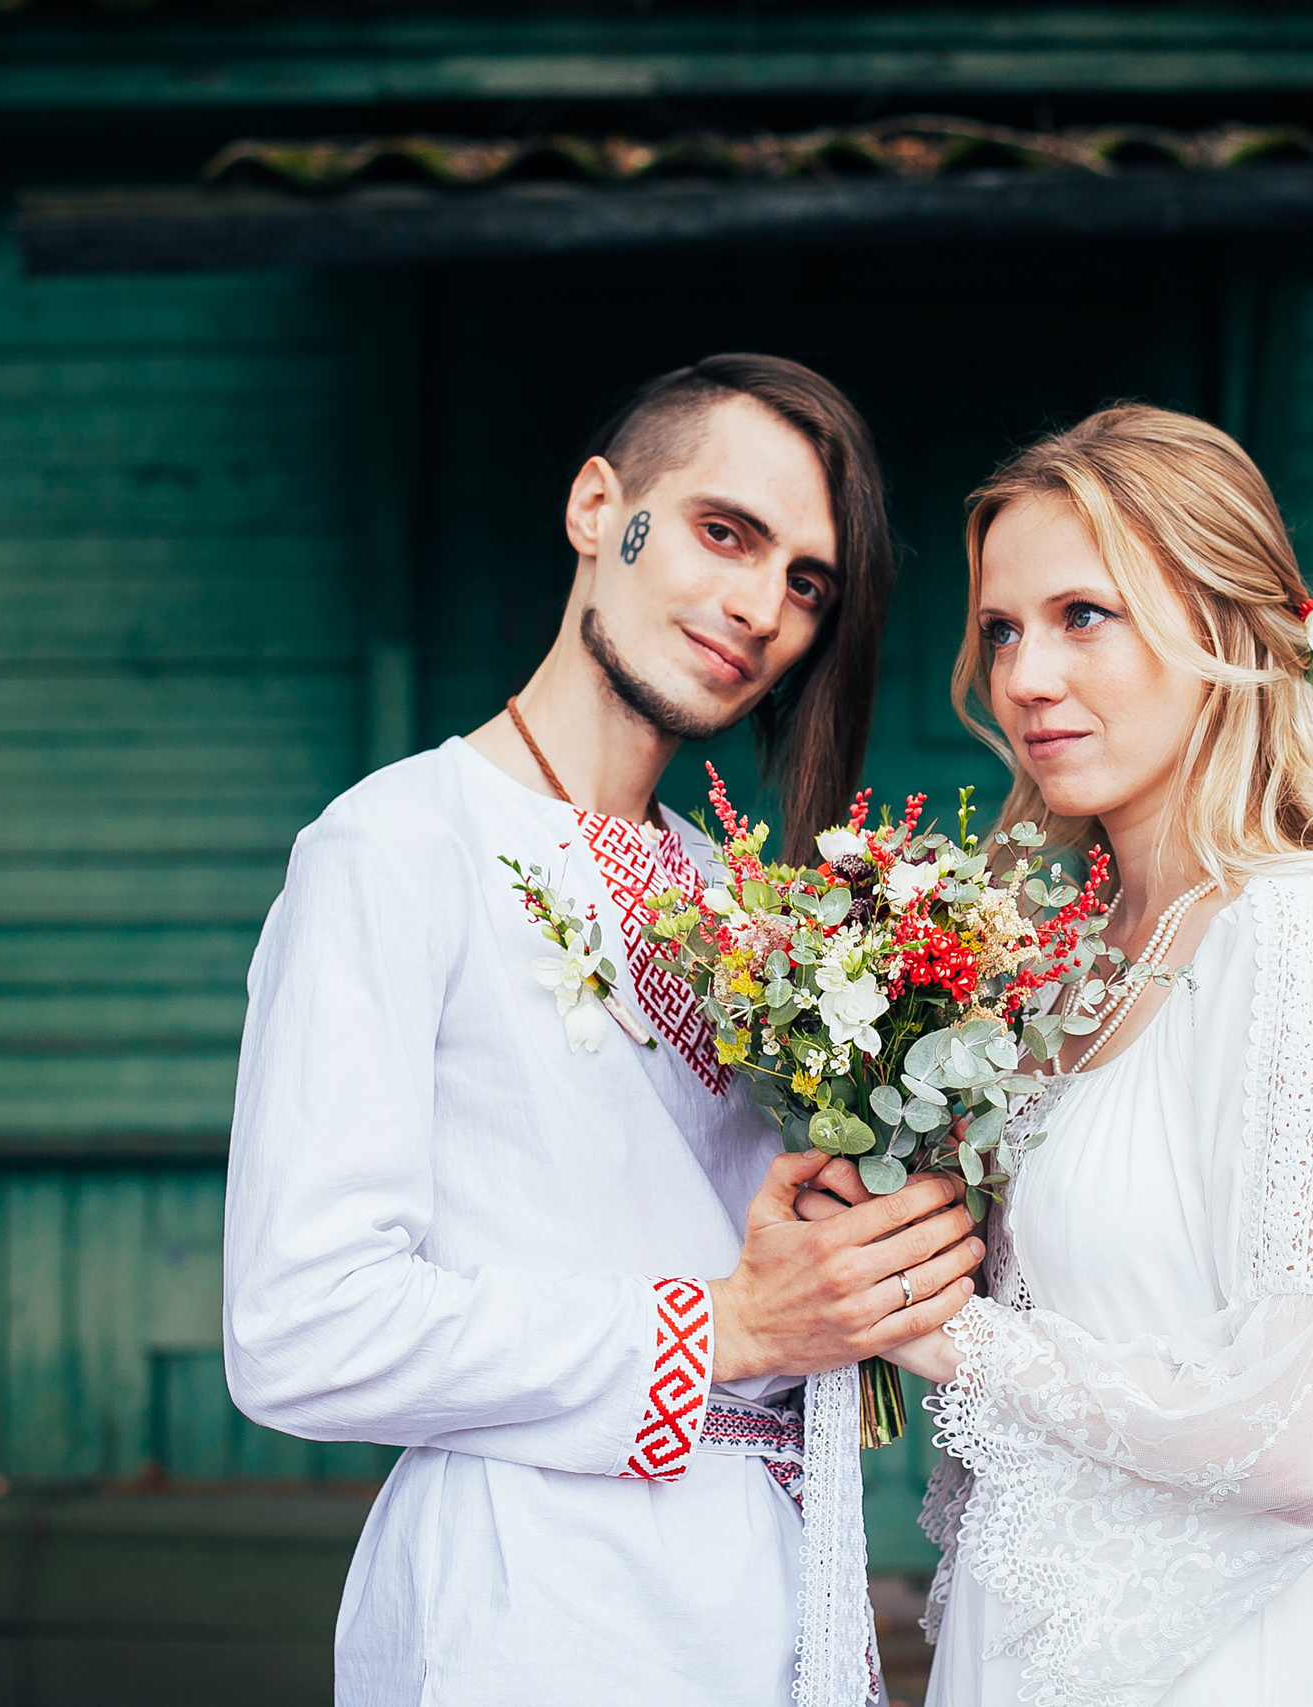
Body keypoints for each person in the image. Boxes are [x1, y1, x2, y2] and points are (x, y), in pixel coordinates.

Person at [221, 353, 984, 1707]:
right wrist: (727, 1331)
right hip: (533, 1609)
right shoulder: (396, 849)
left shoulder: (731, 895)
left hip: (779, 1600)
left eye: (808, 584)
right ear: (595, 509)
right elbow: (302, 1326)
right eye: (724, 532)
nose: (760, 607)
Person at [886, 405, 1313, 1706]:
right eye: (1001, 628)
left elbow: (1302, 1438)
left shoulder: (1291, 934)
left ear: (1221, 629)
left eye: (1083, 616)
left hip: (1221, 1662)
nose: (1024, 676)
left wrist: (951, 1338)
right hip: (1031, 1645)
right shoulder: (1068, 962)